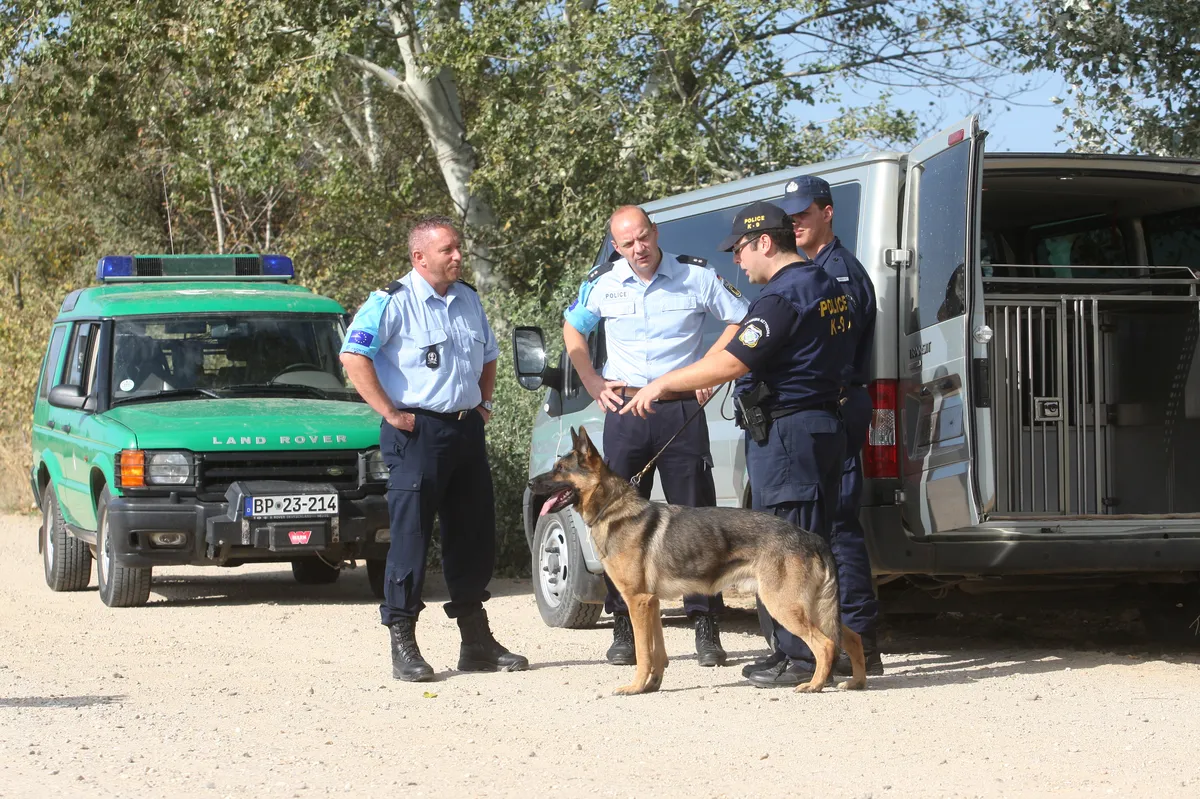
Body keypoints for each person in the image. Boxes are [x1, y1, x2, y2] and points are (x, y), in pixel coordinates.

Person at [620, 201, 854, 687]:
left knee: (784, 547)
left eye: (741, 249)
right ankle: (791, 652)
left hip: (790, 435)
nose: (737, 261)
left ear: (764, 243)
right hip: (821, 426)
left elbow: (731, 363)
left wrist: (662, 384)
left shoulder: (782, 296)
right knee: (807, 540)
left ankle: (803, 661)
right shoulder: (826, 284)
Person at [340, 215, 528, 683]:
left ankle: (476, 641)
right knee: (410, 538)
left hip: (465, 431)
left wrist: (484, 405)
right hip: (416, 432)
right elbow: (352, 356)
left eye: (458, 247)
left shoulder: (467, 299)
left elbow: (488, 357)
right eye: (448, 250)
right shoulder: (391, 302)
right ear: (419, 257)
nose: (458, 256)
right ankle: (402, 638)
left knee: (473, 535)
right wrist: (390, 412)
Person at [562, 204, 749, 667]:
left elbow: (742, 320)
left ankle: (705, 624)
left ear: (655, 231)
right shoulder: (603, 283)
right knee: (615, 520)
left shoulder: (695, 276)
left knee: (698, 519)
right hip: (624, 407)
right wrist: (591, 383)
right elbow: (573, 329)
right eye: (626, 244)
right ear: (616, 246)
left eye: (642, 237)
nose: (637, 249)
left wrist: (710, 371)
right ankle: (625, 627)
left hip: (680, 407)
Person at [741, 174, 883, 681]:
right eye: (789, 216)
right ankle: (812, 645)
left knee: (831, 529)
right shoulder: (809, 273)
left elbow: (836, 353)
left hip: (830, 408)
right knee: (811, 530)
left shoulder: (837, 274)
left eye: (803, 213)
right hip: (819, 411)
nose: (794, 222)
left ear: (828, 212)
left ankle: (852, 640)